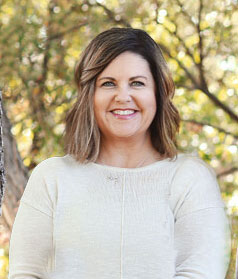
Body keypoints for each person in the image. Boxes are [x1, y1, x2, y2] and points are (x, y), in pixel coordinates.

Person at [8, 27, 231, 279]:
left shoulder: (190, 179)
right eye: (108, 83)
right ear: (89, 95)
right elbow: (26, 274)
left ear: (157, 93)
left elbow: (200, 273)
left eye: (137, 83)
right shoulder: (52, 178)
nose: (123, 96)